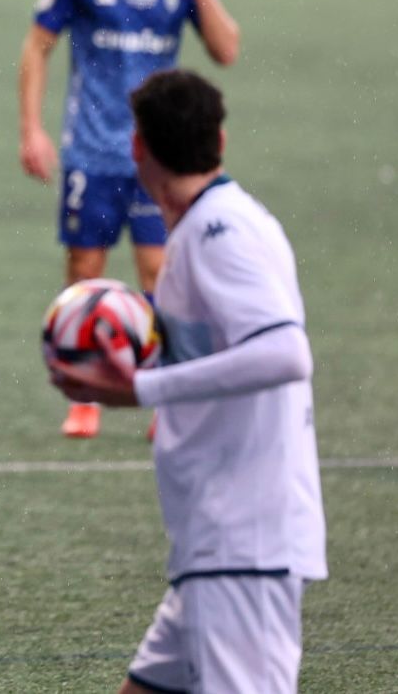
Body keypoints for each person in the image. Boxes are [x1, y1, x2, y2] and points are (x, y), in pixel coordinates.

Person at [47, 69, 327, 693]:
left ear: (137, 147)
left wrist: (140, 391)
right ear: (219, 141)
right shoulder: (210, 225)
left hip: (244, 544)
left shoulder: (220, 233)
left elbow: (286, 354)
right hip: (213, 543)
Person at [18, 0, 240, 438]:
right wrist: (32, 130)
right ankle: (84, 394)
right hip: (91, 151)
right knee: (83, 271)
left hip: (156, 158)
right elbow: (38, 46)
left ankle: (163, 394)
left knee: (160, 276)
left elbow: (226, 50)